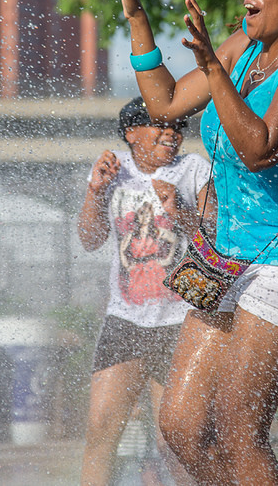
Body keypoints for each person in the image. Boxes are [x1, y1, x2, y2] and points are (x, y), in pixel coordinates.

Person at [109, 0, 278, 485]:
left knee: (238, 426)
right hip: (228, 260)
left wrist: (214, 70)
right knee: (181, 423)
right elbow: (165, 103)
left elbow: (261, 149)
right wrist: (137, 15)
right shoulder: (237, 49)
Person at [77, 97, 210, 486]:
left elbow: (217, 237)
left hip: (182, 323)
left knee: (177, 442)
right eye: (160, 124)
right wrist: (95, 191)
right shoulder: (111, 169)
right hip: (126, 321)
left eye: (178, 125)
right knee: (100, 432)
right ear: (131, 133)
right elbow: (90, 239)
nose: (172, 132)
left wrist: (180, 212)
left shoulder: (193, 169)